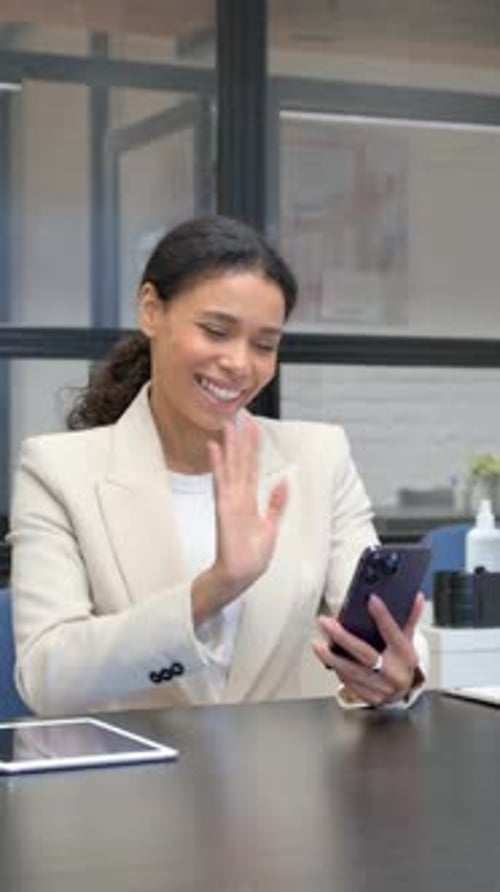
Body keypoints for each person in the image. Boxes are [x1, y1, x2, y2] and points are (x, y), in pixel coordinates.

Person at [9, 215, 426, 716]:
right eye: (215, 331)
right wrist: (215, 588)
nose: (239, 363)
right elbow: (46, 680)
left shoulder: (318, 458)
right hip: (129, 786)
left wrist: (394, 673)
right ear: (150, 311)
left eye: (264, 345)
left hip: (286, 782)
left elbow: (384, 636)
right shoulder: (58, 472)